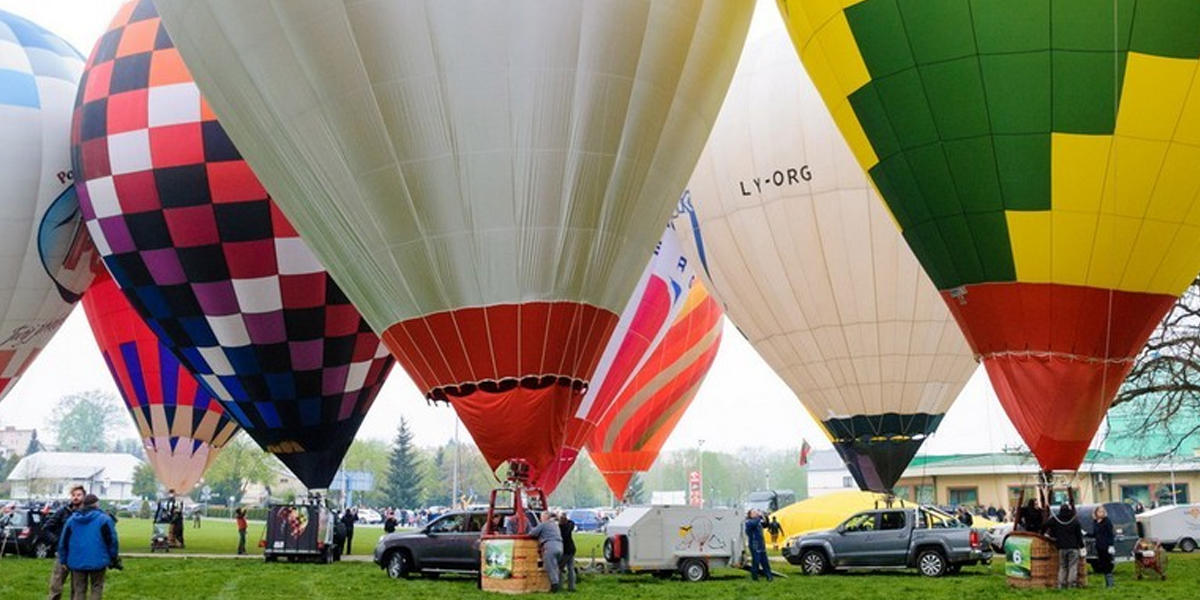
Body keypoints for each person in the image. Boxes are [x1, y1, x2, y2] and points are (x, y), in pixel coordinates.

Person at [58, 494, 119, 600]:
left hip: (76, 560)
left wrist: (63, 559)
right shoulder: (104, 519)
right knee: (97, 588)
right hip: (98, 560)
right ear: (96, 504)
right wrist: (113, 557)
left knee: (79, 590)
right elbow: (112, 541)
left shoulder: (72, 520)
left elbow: (63, 541)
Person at [42, 485, 86, 600]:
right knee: (56, 585)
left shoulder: (87, 513)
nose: (76, 497)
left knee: (78, 587)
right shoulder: (63, 511)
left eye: (79, 495)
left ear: (84, 496)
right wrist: (57, 542)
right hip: (63, 554)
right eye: (73, 495)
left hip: (79, 554)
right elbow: (46, 528)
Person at [1042, 503, 1085, 589]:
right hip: (1073, 547)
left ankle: (1061, 584)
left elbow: (1045, 524)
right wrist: (1082, 546)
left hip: (1061, 547)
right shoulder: (1074, 520)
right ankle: (1071, 584)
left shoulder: (1056, 519)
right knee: (1072, 566)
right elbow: (1079, 535)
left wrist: (1045, 534)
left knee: (1063, 566)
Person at [529, 512, 564, 593]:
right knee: (555, 567)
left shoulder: (544, 524)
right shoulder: (555, 525)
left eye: (541, 517)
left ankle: (554, 586)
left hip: (550, 546)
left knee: (550, 567)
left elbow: (532, 533)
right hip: (560, 546)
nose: (540, 519)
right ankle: (559, 583)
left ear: (545, 517)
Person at [1092, 505, 1116, 588]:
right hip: (1099, 546)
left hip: (1106, 545)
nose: (1101, 513)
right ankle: (1107, 582)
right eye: (1099, 511)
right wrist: (1085, 533)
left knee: (1107, 563)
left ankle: (1110, 583)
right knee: (1102, 564)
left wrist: (1111, 545)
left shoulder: (1107, 521)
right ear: (1096, 513)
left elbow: (1110, 534)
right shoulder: (1095, 522)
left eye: (1102, 511)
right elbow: (1095, 534)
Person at [744, 509, 772, 581]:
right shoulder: (748, 522)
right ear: (750, 515)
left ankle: (769, 576)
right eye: (754, 512)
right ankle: (755, 577)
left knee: (765, 561)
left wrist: (766, 516)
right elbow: (754, 523)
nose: (756, 513)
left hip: (761, 544)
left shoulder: (758, 522)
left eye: (756, 512)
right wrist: (759, 516)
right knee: (756, 561)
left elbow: (766, 524)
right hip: (754, 544)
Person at [558, 512, 577, 592]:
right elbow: (572, 522)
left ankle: (560, 585)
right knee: (571, 569)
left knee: (559, 568)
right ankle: (571, 586)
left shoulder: (559, 528)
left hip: (564, 550)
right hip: (571, 549)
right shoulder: (569, 526)